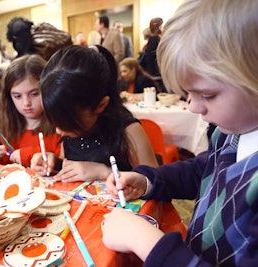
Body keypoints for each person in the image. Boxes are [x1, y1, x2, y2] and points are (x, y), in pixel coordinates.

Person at [101, 0, 258, 266]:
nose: (194, 107)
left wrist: (147, 242)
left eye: (207, 94)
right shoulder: (233, 131)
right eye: (188, 94)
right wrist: (148, 180)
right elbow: (205, 170)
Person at [30, 45, 158, 181]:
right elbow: (73, 167)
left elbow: (155, 183)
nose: (59, 130)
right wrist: (55, 163)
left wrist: (105, 172)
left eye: (67, 122)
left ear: (101, 105)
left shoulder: (128, 132)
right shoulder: (70, 132)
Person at [0, 55, 61, 167]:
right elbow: (9, 162)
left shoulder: (61, 127)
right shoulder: (10, 126)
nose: (26, 103)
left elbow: (62, 163)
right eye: (17, 96)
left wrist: (27, 155)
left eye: (34, 94)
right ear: (9, 98)